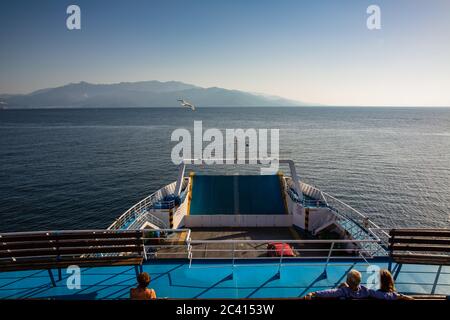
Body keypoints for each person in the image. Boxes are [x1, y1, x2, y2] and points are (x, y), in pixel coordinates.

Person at [305, 269, 371, 299]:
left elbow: (329, 292)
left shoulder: (343, 291)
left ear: (348, 280)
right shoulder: (365, 291)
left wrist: (313, 293)